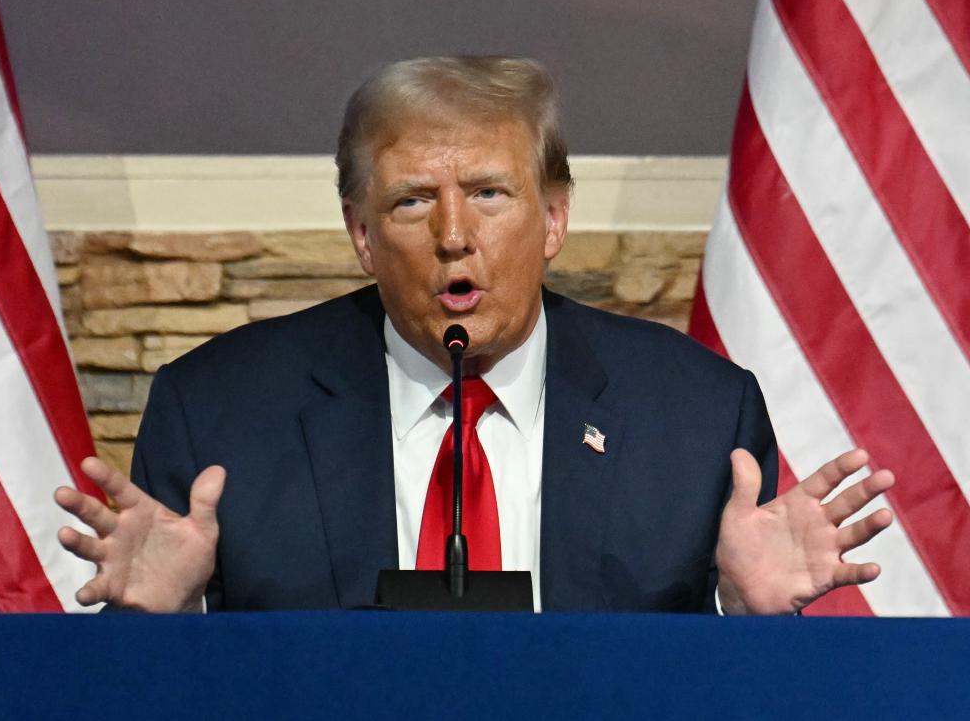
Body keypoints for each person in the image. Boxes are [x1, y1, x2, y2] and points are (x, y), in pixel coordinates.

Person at [55, 56, 895, 614]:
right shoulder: (220, 413)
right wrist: (150, 632)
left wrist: (749, 627)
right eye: (412, 201)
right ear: (360, 233)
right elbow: (144, 697)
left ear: (556, 217)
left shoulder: (697, 416)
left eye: (490, 193)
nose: (453, 234)